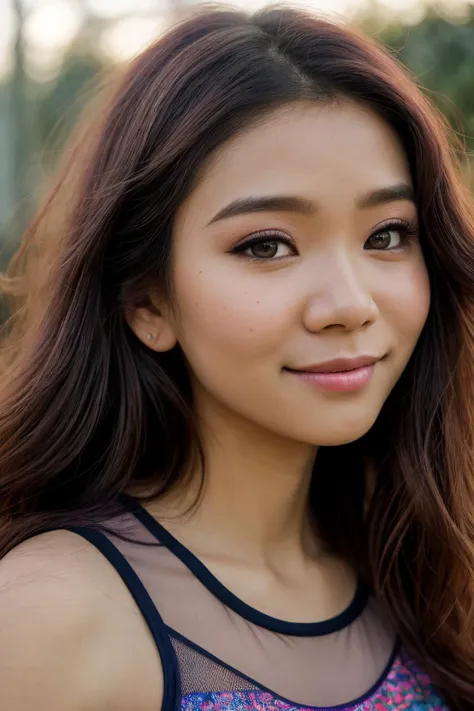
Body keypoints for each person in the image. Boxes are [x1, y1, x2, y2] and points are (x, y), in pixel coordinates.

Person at [0, 4, 473, 709]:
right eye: (267, 245)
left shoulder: (427, 567)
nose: (349, 302)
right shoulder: (52, 616)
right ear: (148, 302)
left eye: (387, 234)